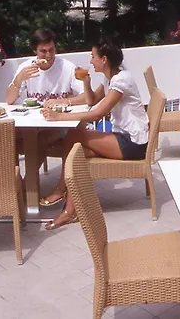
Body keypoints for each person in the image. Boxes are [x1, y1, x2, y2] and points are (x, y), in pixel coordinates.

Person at [40, 38, 149, 230]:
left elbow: (98, 113)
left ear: (104, 59)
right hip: (122, 138)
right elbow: (92, 100)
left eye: (93, 56)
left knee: (75, 135)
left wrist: (59, 117)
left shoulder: (121, 81)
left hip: (133, 143)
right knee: (76, 153)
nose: (91, 61)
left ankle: (61, 188)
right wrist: (86, 82)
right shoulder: (111, 78)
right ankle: (70, 211)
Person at [5, 28, 84, 106]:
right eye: (43, 51)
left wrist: (64, 101)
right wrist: (18, 79)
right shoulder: (26, 67)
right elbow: (9, 100)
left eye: (51, 50)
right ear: (34, 51)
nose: (48, 55)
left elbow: (86, 96)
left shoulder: (68, 67)